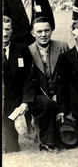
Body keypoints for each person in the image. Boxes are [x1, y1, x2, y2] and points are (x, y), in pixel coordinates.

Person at [28, 17, 70, 151]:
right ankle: (47, 143)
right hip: (40, 95)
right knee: (47, 105)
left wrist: (59, 95)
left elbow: (67, 75)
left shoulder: (62, 46)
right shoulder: (27, 51)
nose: (43, 34)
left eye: (47, 30)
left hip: (60, 92)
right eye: (39, 31)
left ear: (52, 30)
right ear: (32, 33)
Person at [2, 16, 34, 153]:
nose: (4, 33)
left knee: (11, 149)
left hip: (15, 102)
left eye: (7, 29)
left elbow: (28, 78)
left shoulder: (22, 49)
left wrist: (26, 101)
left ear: (12, 30)